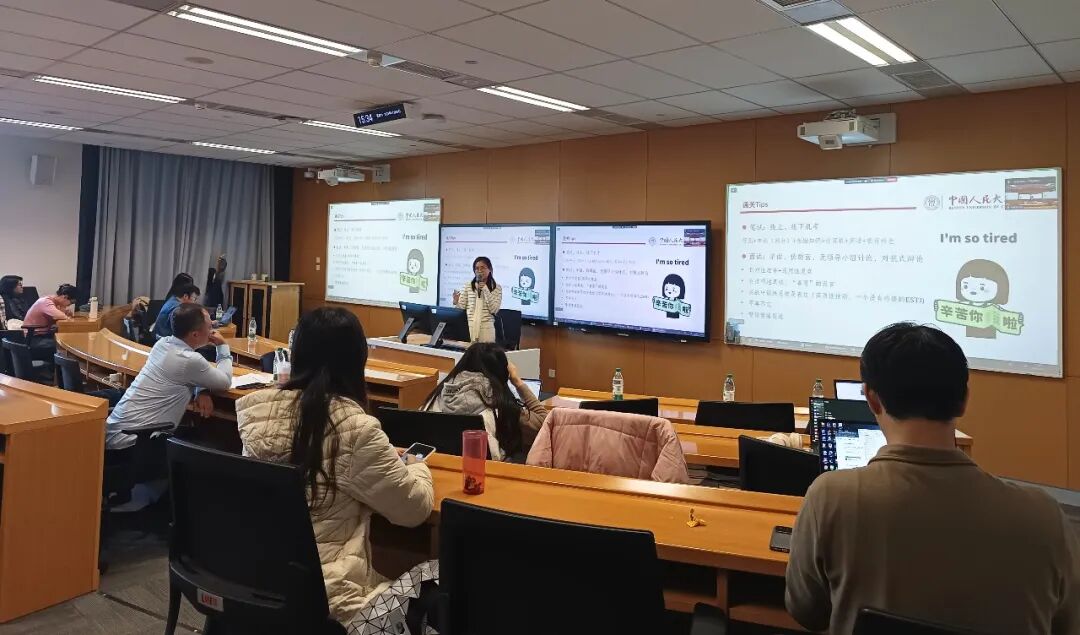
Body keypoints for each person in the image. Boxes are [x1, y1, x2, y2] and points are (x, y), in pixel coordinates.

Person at [785, 322, 1079, 635]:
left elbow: (807, 611)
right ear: (964, 400)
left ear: (871, 398)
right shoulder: (1046, 518)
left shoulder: (831, 498)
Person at [235, 307, 434, 624]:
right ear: (356, 362)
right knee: (436, 575)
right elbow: (414, 509)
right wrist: (415, 463)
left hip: (260, 581)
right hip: (331, 600)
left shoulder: (260, 416)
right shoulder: (355, 429)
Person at [106, 302, 233, 451]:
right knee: (215, 441)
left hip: (112, 436)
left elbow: (188, 373)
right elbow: (225, 381)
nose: (213, 329)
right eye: (209, 326)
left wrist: (201, 389)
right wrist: (222, 346)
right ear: (195, 334)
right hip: (134, 445)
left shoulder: (162, 344)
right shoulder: (190, 360)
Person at [421, 342, 546, 461]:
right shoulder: (500, 404)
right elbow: (543, 423)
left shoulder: (438, 396)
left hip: (437, 466)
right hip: (485, 470)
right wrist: (517, 381)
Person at [452, 256, 502, 343]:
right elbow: (461, 309)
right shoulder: (468, 286)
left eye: (482, 268)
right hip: (469, 328)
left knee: (485, 352)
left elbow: (494, 310)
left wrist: (486, 289)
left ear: (489, 269)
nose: (479, 271)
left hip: (486, 330)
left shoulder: (497, 288)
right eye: (477, 268)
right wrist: (456, 302)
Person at [21, 283, 78, 360]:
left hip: (43, 334)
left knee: (67, 341)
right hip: (33, 338)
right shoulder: (46, 302)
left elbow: (65, 315)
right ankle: (60, 367)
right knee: (64, 345)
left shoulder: (55, 303)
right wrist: (66, 315)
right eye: (71, 302)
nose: (69, 305)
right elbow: (63, 317)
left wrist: (65, 311)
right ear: (65, 297)